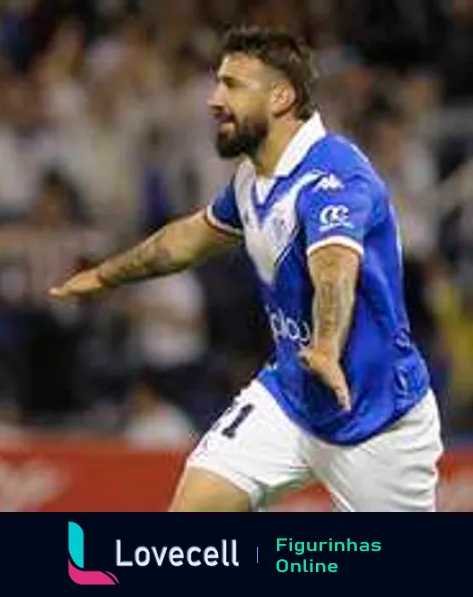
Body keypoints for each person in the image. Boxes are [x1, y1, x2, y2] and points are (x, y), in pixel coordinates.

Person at [49, 26, 443, 512]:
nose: (215, 99)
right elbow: (187, 240)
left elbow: (335, 267)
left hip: (375, 417)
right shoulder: (251, 180)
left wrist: (324, 345)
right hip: (291, 398)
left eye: (232, 85)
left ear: (281, 97)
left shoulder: (334, 175)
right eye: (218, 82)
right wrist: (106, 275)